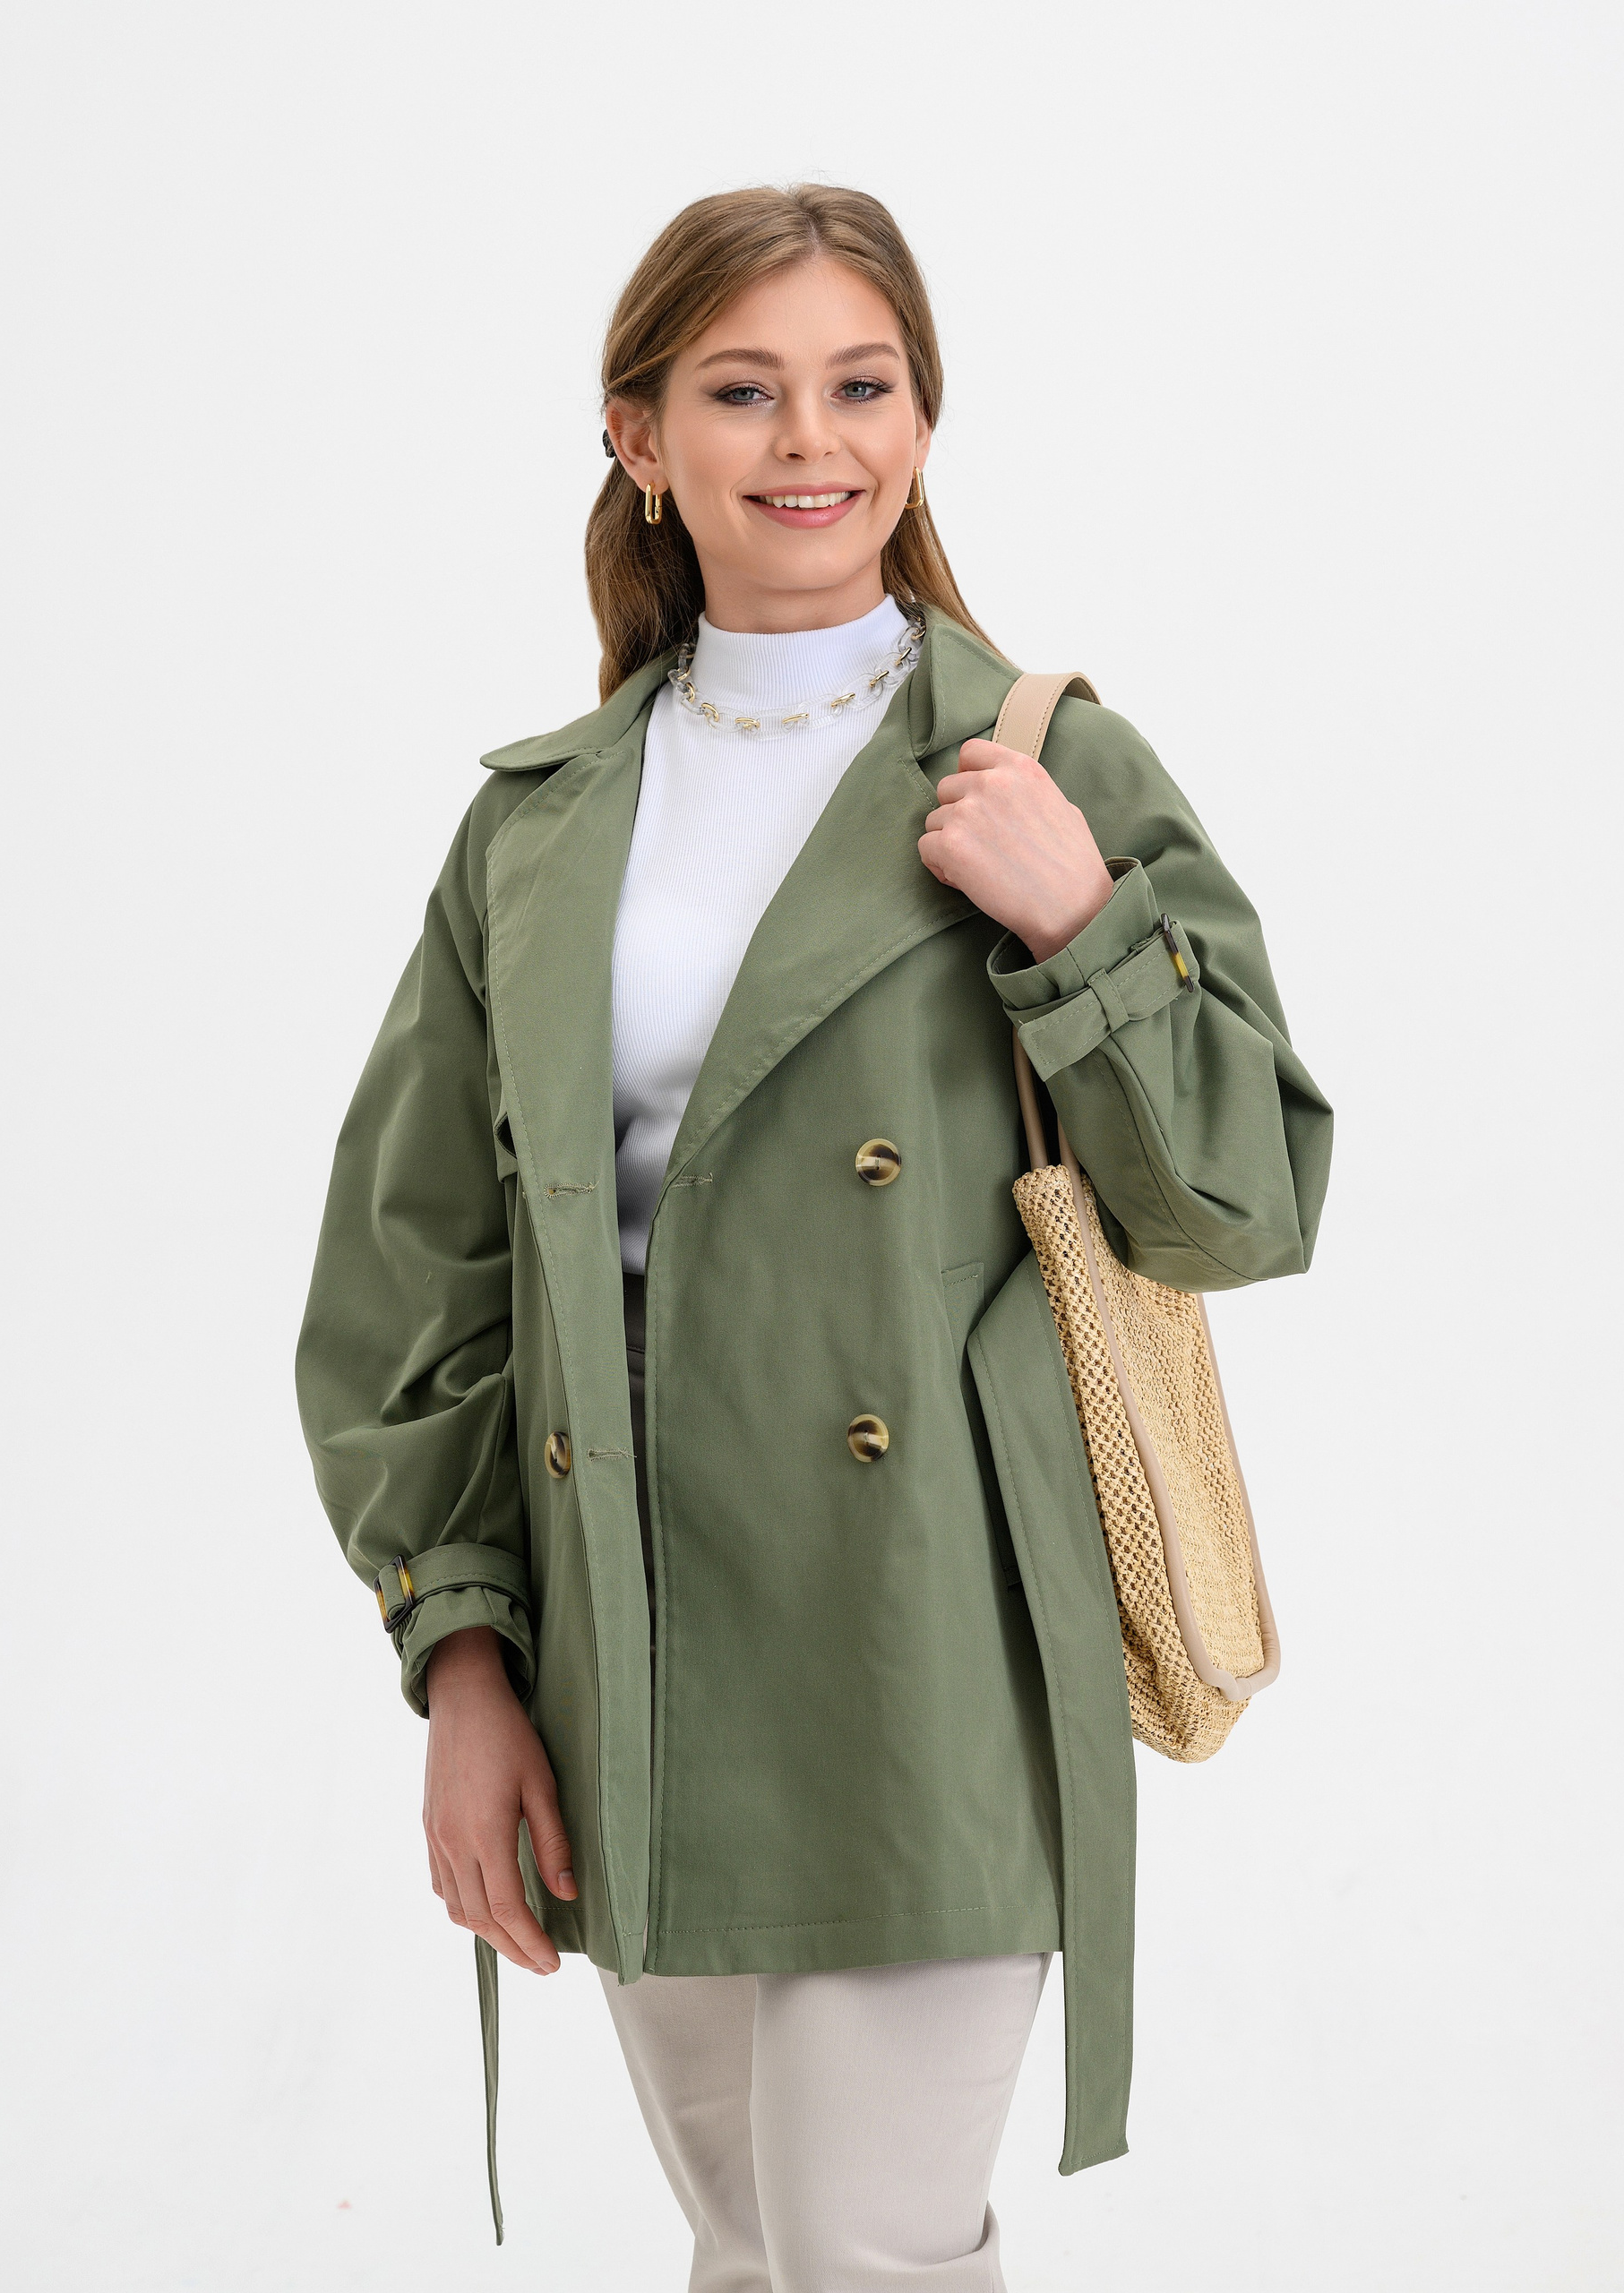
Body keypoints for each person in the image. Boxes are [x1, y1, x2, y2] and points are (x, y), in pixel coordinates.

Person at [296, 183, 1332, 2291]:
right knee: (755, 2243)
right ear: (638, 436)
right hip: (629, 1649)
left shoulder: (1045, 759)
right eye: (742, 390)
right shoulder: (539, 824)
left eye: (862, 386)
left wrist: (1082, 921)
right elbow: (420, 1281)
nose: (809, 441)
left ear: (923, 424)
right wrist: (464, 1657)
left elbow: (1248, 1198)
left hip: (931, 1632)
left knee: (865, 2247)